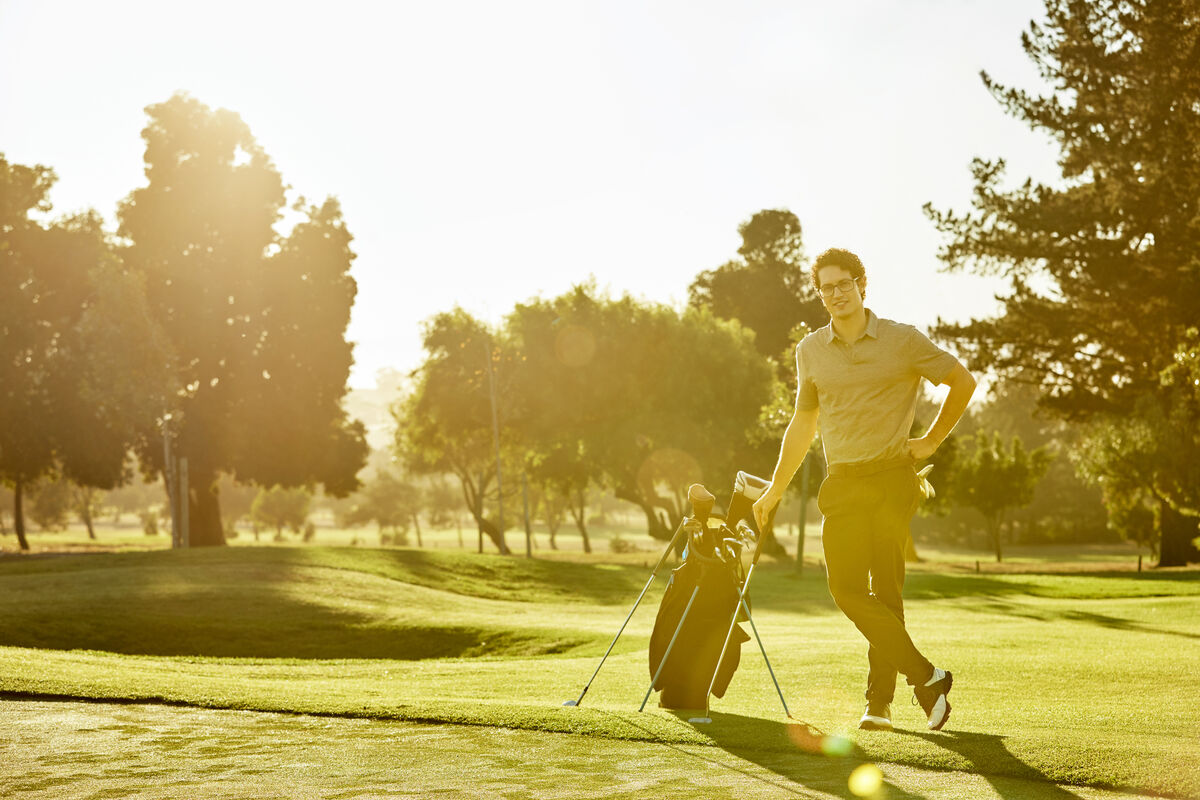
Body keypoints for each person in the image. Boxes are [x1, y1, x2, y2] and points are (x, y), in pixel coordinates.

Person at [752, 247, 976, 732]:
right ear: (820, 294)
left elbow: (962, 381)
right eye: (825, 287)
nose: (835, 294)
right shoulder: (810, 350)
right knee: (846, 588)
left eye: (843, 284)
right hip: (845, 482)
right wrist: (774, 489)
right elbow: (802, 423)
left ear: (861, 284)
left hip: (894, 478)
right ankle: (927, 679)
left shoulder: (902, 340)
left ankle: (879, 704)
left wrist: (932, 440)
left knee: (886, 590)